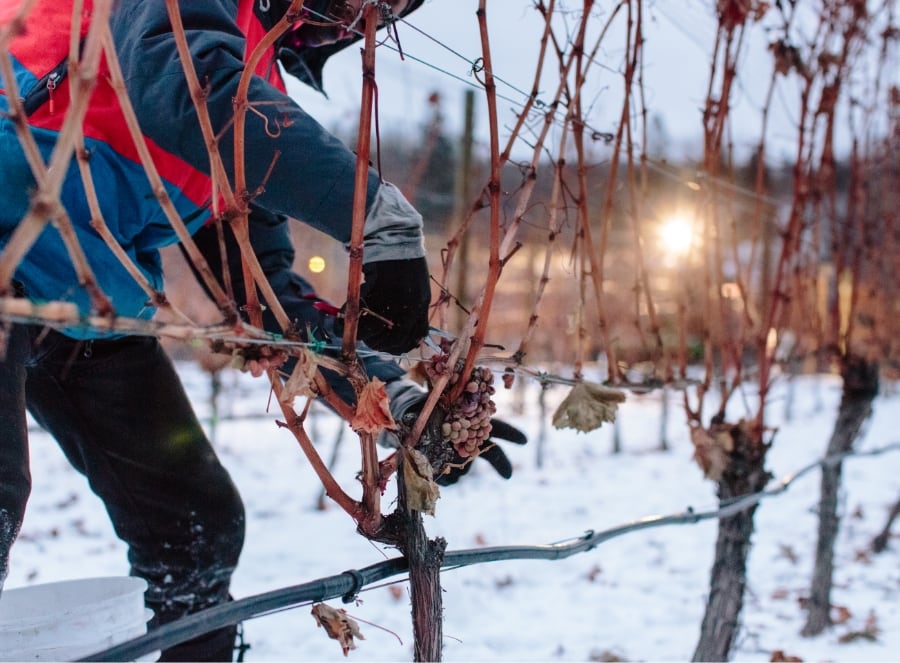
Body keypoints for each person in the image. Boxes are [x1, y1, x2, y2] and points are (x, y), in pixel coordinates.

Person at [0, 1, 526, 660]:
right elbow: (184, 78)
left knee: (198, 528)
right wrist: (374, 215)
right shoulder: (196, 40)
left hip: (79, 288)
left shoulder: (259, 100)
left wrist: (396, 400)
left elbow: (267, 304)